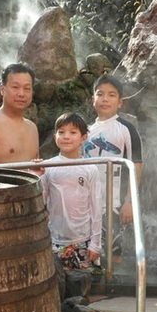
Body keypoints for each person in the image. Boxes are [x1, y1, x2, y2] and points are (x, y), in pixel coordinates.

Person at [82, 74, 142, 261]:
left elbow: (135, 166)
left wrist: (130, 201)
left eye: (111, 95)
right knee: (88, 250)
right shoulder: (85, 131)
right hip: (87, 201)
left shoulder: (127, 129)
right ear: (93, 99)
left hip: (114, 203)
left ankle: (112, 278)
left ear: (120, 102)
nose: (105, 99)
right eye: (100, 94)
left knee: (113, 251)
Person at [40, 113, 102, 270]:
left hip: (83, 239)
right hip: (55, 238)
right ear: (55, 137)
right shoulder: (48, 166)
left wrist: (95, 243)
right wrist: (37, 175)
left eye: (73, 132)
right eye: (61, 132)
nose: (66, 137)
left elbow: (96, 208)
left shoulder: (90, 168)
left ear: (83, 138)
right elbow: (41, 201)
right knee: (57, 279)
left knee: (83, 280)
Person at [0, 63, 39, 164]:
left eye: (27, 88)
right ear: (2, 90)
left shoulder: (32, 128)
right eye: (15, 87)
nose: (21, 94)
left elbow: (34, 168)